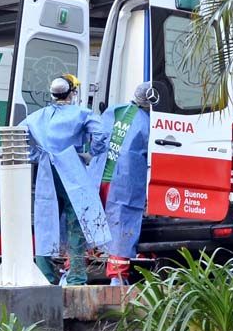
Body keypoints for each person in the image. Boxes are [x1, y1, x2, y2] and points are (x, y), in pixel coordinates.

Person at [21, 74, 111, 285]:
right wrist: (92, 153)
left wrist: (36, 156)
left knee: (45, 221)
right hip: (71, 170)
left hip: (46, 171)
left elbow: (19, 135)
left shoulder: (38, 116)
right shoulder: (81, 113)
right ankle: (76, 275)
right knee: (76, 222)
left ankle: (45, 275)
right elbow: (101, 135)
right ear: (72, 92)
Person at [94, 82, 154, 285]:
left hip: (98, 176)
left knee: (92, 224)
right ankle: (117, 278)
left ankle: (72, 272)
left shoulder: (113, 111)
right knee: (121, 227)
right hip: (124, 182)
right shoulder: (146, 123)